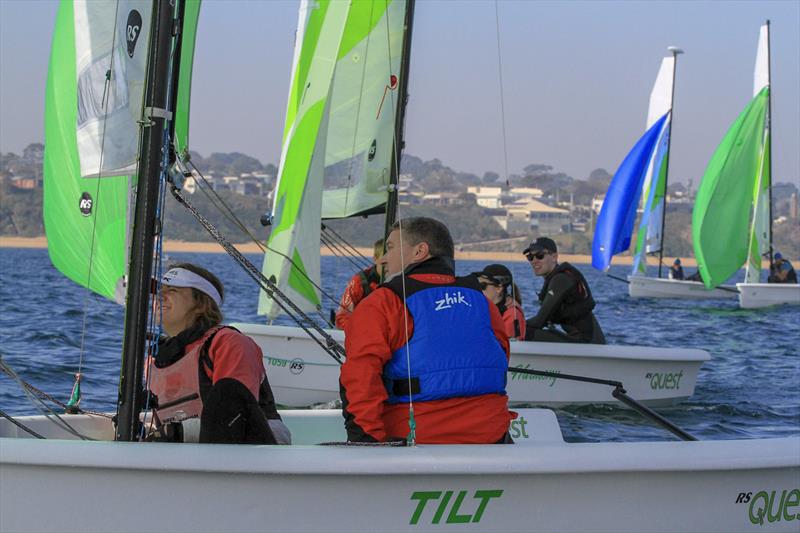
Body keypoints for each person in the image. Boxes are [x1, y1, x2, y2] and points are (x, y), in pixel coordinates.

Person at [340, 217, 514, 444]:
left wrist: (366, 441)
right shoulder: (483, 302)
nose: (383, 259)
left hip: (414, 440)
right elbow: (501, 355)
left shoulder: (383, 302)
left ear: (420, 251)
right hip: (492, 437)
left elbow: (360, 377)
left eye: (390, 248)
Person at [147, 263, 290, 444]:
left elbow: (236, 415)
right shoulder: (155, 360)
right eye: (159, 290)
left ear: (200, 304)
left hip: (257, 452)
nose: (160, 296)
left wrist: (178, 432)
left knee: (227, 391)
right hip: (194, 451)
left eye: (172, 290)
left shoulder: (228, 343)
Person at [523, 237, 606, 344]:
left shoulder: (561, 279)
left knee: (525, 333)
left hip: (588, 343)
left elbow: (540, 321)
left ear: (554, 257)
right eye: (530, 257)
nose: (534, 261)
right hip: (583, 341)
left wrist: (511, 327)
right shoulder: (555, 278)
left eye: (540, 256)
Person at [335, 238, 385, 330]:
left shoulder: (403, 280)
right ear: (375, 259)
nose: (388, 266)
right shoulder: (360, 281)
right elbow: (342, 318)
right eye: (384, 262)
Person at [475, 264, 526, 341]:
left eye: (483, 285)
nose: (479, 289)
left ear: (499, 288)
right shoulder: (485, 309)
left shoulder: (512, 314)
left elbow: (509, 347)